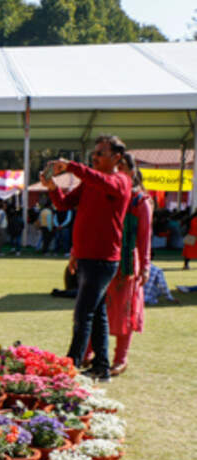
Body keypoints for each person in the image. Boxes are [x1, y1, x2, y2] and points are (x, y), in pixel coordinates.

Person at [42, 134, 131, 382]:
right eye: (95, 152)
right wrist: (53, 188)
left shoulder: (120, 181)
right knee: (96, 313)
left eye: (101, 153)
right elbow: (64, 204)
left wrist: (71, 167)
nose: (95, 156)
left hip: (102, 259)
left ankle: (70, 367)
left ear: (117, 157)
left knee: (83, 314)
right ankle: (101, 367)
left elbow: (99, 180)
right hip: (87, 258)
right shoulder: (93, 181)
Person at [96, 153, 153, 377]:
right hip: (102, 256)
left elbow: (145, 237)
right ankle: (90, 352)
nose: (118, 171)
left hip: (127, 262)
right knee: (97, 305)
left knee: (124, 308)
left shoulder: (140, 201)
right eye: (115, 167)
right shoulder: (106, 195)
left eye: (122, 167)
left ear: (132, 171)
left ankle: (121, 358)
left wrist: (145, 266)